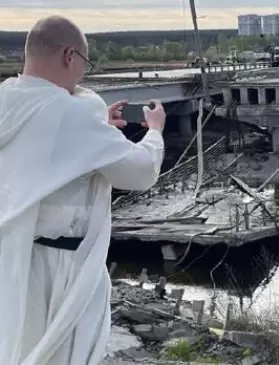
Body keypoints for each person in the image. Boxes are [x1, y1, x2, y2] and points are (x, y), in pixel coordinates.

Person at [0, 15, 167, 364]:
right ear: (69, 56)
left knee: (18, 346)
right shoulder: (69, 113)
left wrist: (97, 129)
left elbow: (41, 156)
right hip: (61, 270)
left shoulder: (8, 101)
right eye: (85, 65)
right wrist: (154, 132)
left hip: (15, 259)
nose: (82, 75)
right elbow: (139, 173)